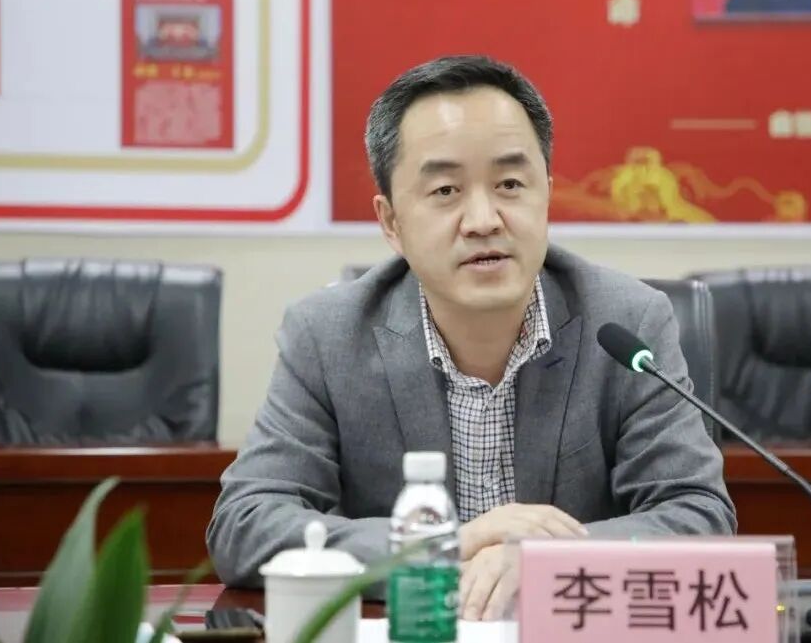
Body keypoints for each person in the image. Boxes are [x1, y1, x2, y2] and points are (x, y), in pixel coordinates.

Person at [207, 55, 736, 620]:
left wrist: (549, 559)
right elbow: (245, 523)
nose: (483, 219)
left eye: (509, 184)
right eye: (445, 190)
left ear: (546, 194)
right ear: (391, 222)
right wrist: (437, 548)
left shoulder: (630, 322)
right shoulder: (327, 335)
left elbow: (699, 514)